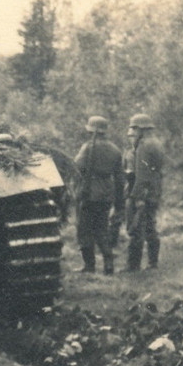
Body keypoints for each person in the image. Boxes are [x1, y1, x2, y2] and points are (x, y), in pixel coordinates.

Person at [72, 116, 124, 275]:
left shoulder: (87, 148)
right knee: (102, 229)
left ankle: (90, 266)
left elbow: (77, 167)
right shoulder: (115, 150)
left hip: (88, 194)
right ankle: (109, 265)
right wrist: (119, 202)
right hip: (106, 194)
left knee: (84, 230)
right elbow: (119, 179)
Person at [123, 112, 164, 271]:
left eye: (134, 129)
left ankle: (133, 265)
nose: (133, 133)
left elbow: (142, 175)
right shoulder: (156, 143)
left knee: (136, 228)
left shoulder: (143, 146)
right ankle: (153, 263)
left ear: (140, 129)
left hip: (143, 193)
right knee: (150, 226)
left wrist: (137, 197)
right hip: (154, 191)